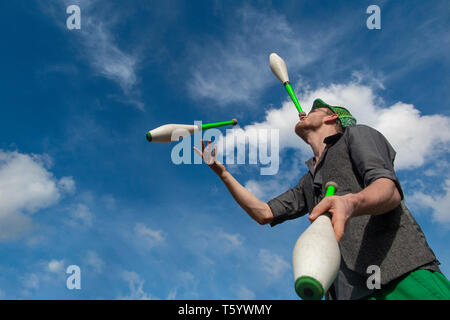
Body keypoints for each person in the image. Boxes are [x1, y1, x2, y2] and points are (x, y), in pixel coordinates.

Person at [193, 98, 450, 300]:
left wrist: (351, 202)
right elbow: (263, 213)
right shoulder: (308, 181)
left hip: (400, 274)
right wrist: (223, 173)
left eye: (316, 109)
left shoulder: (357, 135)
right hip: (348, 293)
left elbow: (387, 189)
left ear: (333, 117)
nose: (303, 113)